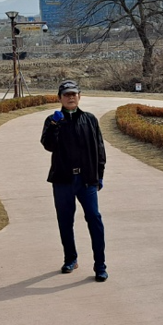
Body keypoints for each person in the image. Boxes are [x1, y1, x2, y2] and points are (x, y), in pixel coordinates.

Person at [40, 80, 108, 282]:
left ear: (79, 96)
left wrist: (99, 174)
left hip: (86, 180)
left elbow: (99, 148)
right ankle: (70, 259)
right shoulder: (52, 120)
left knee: (94, 219)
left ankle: (100, 265)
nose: (71, 97)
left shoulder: (90, 119)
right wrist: (54, 125)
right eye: (66, 94)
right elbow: (48, 145)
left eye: (74, 94)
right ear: (59, 98)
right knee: (65, 221)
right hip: (63, 180)